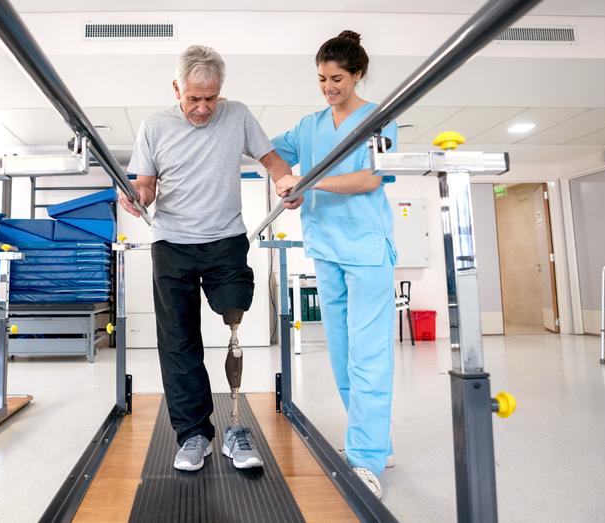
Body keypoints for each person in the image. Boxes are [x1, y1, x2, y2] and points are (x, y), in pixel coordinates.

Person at [119, 44, 297, 472]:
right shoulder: (154, 126)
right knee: (179, 342)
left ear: (221, 92)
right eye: (193, 98)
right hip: (172, 242)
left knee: (235, 313)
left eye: (210, 98)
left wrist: (284, 179)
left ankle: (236, 427)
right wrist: (137, 197)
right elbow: (147, 184)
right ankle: (195, 433)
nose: (203, 108)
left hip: (225, 239)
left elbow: (271, 159)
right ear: (176, 87)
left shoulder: (236, 114)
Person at [271, 30, 398, 499]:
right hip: (325, 249)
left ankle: (365, 458)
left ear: (358, 74)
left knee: (369, 356)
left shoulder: (379, 118)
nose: (329, 86)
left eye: (337, 78)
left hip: (366, 252)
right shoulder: (308, 126)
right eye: (322, 78)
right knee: (343, 357)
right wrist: (284, 177)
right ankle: (375, 443)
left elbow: (370, 178)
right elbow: (269, 150)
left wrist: (309, 180)